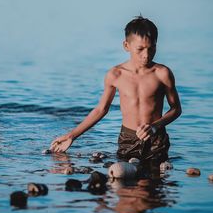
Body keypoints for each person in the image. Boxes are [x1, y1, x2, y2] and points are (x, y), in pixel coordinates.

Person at [50, 16, 182, 166]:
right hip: (128, 139)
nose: (146, 54)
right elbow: (101, 109)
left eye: (152, 48)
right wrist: (71, 136)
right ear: (126, 45)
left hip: (156, 140)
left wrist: (155, 126)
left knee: (154, 184)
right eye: (140, 49)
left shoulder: (162, 73)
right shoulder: (116, 74)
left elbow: (176, 109)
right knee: (124, 185)